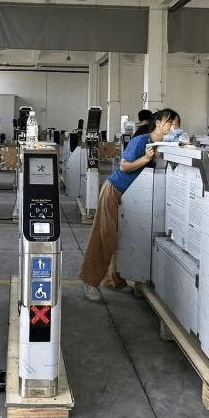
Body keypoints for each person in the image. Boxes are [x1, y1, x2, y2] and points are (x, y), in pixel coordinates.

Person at [78, 107, 180, 302]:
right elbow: (124, 165)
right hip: (115, 190)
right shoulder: (142, 140)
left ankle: (113, 279)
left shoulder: (164, 144)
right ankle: (90, 281)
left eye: (175, 123)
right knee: (105, 236)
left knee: (126, 237)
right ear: (158, 122)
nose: (173, 126)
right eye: (169, 122)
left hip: (136, 196)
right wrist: (145, 159)